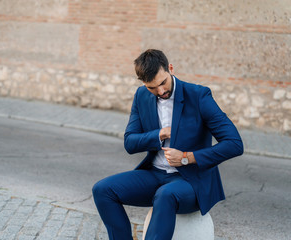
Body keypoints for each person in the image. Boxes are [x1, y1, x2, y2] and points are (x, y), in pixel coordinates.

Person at [92, 49, 243, 239]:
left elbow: (235, 143)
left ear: (170, 68)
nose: (160, 91)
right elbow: (130, 143)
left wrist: (187, 158)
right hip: (155, 175)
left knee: (165, 195)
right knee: (103, 190)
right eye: (152, 87)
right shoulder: (141, 96)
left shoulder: (198, 96)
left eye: (163, 83)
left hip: (191, 181)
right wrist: (160, 134)